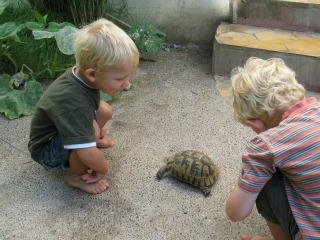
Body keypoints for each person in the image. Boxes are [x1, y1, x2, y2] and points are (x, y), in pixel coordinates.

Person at [28, 18, 139, 194]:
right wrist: (103, 168)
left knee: (104, 110)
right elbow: (86, 151)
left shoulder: (82, 76)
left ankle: (89, 139)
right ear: (92, 74)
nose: (126, 83)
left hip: (61, 128)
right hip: (47, 150)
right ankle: (75, 178)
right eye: (119, 79)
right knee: (90, 138)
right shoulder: (75, 102)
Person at [225, 57, 320, 240]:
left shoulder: (267, 146)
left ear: (253, 122)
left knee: (264, 180)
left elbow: (235, 212)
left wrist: (263, 140)